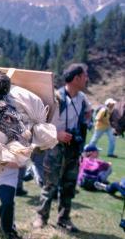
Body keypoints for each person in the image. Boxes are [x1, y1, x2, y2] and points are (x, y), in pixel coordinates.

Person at [33, 63, 92, 232]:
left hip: (73, 148)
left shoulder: (82, 98)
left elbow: (88, 112)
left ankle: (64, 219)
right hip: (56, 147)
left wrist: (85, 123)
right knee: (50, 184)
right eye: (85, 76)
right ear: (76, 78)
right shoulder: (56, 97)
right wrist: (57, 134)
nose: (87, 79)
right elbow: (42, 123)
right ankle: (41, 217)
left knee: (69, 185)